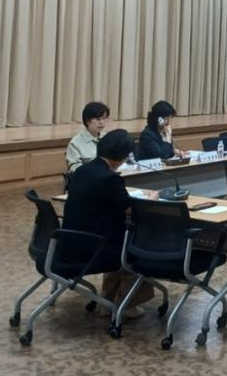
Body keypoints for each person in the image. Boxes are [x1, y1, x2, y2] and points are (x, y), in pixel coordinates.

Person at [62, 129, 156, 318]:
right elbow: (132, 210)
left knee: (119, 237)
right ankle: (127, 305)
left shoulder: (82, 171)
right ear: (123, 156)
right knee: (137, 247)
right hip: (96, 249)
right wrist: (151, 199)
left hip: (69, 242)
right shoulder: (110, 178)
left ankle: (109, 300)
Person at [65, 101, 110, 172]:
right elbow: (75, 169)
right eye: (98, 119)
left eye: (104, 118)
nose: (101, 122)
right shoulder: (75, 143)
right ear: (87, 120)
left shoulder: (108, 137)